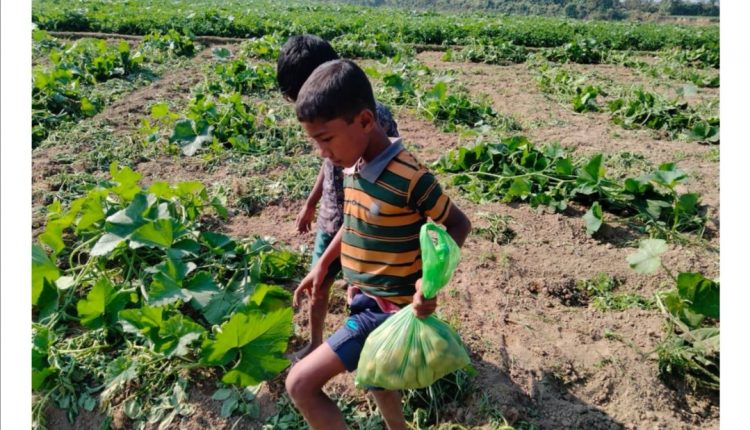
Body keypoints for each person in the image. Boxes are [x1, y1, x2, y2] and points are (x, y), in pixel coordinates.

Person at [285, 59, 472, 430]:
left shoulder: (409, 176)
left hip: (384, 311)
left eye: (326, 139)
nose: (322, 152)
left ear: (366, 121)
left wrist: (429, 284)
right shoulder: (352, 165)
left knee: (300, 384)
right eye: (315, 142)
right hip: (361, 297)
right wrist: (323, 263)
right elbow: (354, 221)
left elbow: (458, 223)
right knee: (378, 376)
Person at [276, 34, 400, 360]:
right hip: (333, 217)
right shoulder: (329, 121)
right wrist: (311, 202)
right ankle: (316, 343)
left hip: (367, 223)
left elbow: (377, 191)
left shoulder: (373, 120)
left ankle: (370, 348)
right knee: (319, 283)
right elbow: (330, 163)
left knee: (366, 292)